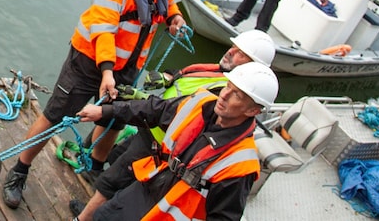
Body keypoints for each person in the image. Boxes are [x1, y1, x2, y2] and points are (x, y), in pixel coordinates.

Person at [2, 0, 188, 209]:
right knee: (55, 115)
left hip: (128, 66)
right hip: (90, 62)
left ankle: (94, 167)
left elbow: (167, 1)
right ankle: (19, 169)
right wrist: (106, 72)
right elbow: (103, 28)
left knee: (116, 118)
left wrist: (175, 18)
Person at [71, 30, 276, 220]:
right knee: (104, 215)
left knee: (112, 183)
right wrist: (104, 111)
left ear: (252, 111)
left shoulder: (239, 165)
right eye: (228, 87)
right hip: (149, 185)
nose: (224, 95)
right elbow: (157, 109)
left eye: (236, 94)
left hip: (169, 209)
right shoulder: (203, 103)